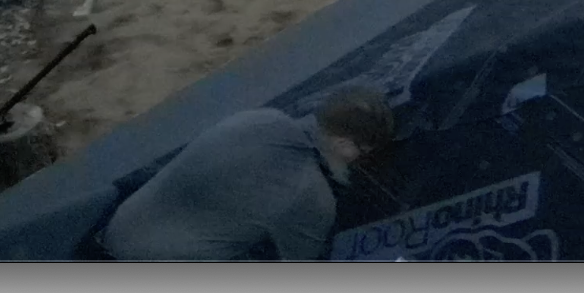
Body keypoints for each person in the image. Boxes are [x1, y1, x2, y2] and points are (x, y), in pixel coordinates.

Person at [100, 85, 394, 261]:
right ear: (343, 144)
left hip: (116, 229)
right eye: (363, 152)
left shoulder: (261, 118)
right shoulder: (312, 195)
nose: (360, 160)